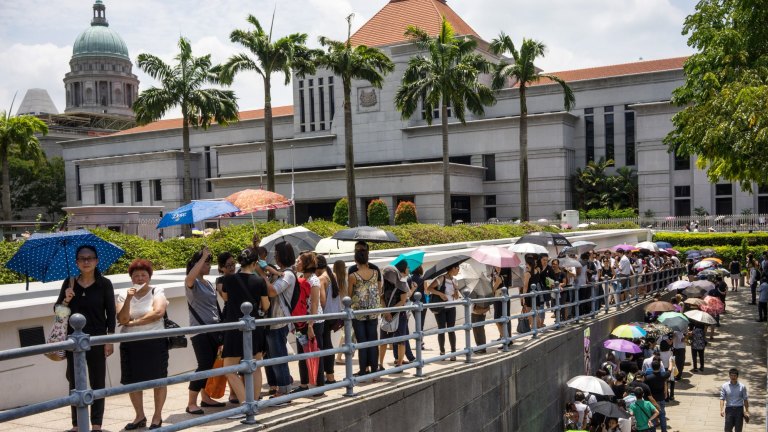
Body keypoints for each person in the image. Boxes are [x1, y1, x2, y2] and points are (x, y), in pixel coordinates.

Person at [55, 245, 116, 432]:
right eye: (82, 258)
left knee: (98, 381)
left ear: (97, 261)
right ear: (77, 262)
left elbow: (111, 313)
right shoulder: (69, 282)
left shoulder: (104, 284)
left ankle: (96, 424)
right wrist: (66, 299)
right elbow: (58, 312)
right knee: (74, 382)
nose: (86, 261)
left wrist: (109, 339)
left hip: (96, 338)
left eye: (90, 258)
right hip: (73, 340)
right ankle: (76, 424)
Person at [116, 259, 169, 430]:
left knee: (158, 380)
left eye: (143, 275)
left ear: (149, 276)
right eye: (136, 275)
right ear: (131, 278)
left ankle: (157, 416)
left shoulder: (157, 290)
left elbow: (158, 312)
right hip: (130, 343)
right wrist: (128, 299)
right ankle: (139, 416)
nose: (140, 278)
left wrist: (134, 322)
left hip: (154, 341)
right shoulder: (124, 295)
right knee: (133, 382)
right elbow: (122, 319)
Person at [220, 248, 270, 404]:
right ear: (255, 263)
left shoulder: (228, 279)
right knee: (255, 365)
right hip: (254, 327)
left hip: (235, 327)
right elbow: (266, 305)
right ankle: (253, 403)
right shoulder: (259, 281)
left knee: (229, 368)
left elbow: (226, 298)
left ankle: (244, 402)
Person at [184, 247, 224, 415]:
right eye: (207, 263)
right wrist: (202, 257)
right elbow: (189, 278)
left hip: (214, 329)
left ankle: (205, 398)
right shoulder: (191, 283)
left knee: (210, 365)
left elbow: (215, 307)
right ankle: (191, 403)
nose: (209, 266)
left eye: (209, 262)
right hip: (200, 331)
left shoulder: (208, 283)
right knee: (204, 365)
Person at [265, 241, 297, 399]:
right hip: (272, 321)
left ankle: (284, 391)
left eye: (277, 254)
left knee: (279, 357)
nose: (275, 257)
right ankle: (282, 387)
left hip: (279, 320)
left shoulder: (289, 275)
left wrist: (263, 276)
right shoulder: (280, 272)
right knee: (274, 357)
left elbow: (272, 292)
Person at [292, 251, 325, 393]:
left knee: (315, 353)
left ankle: (319, 385)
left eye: (299, 261)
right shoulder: (299, 278)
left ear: (306, 264)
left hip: (314, 323)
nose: (296, 263)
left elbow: (314, 304)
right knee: (302, 354)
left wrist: (310, 325)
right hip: (301, 322)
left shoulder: (314, 280)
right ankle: (304, 384)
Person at [348, 242, 381, 376]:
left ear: (355, 259)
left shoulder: (352, 275)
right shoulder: (375, 272)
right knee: (373, 340)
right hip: (373, 310)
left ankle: (363, 370)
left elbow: (349, 295)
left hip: (359, 312)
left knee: (362, 341)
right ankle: (374, 370)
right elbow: (379, 290)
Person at [214, 251, 239, 404]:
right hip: (229, 317)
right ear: (221, 268)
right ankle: (233, 393)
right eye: (228, 266)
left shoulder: (240, 277)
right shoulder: (220, 281)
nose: (232, 268)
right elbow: (226, 297)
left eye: (233, 264)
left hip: (241, 316)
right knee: (231, 358)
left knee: (243, 358)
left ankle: (243, 389)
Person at [426, 263, 461, 359]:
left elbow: (456, 297)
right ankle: (442, 351)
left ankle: (453, 353)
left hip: (451, 307)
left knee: (451, 329)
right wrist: (441, 294)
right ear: (453, 268)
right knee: (441, 329)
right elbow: (429, 288)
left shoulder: (455, 280)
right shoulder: (441, 278)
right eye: (458, 268)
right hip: (441, 307)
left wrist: (456, 291)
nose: (459, 270)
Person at [378, 264, 411, 368]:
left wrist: (389, 311)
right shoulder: (385, 285)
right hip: (387, 314)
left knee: (401, 340)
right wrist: (386, 311)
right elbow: (381, 299)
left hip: (399, 315)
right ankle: (380, 364)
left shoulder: (402, 284)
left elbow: (403, 301)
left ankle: (400, 363)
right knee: (383, 341)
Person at [317, 255, 341, 384]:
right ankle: (330, 375)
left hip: (325, 315)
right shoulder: (332, 275)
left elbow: (322, 300)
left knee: (325, 344)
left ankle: (329, 375)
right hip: (334, 314)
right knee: (328, 343)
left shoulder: (321, 278)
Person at [644, 360, 669, 432]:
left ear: (651, 367)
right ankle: (664, 430)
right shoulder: (663, 375)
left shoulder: (648, 378)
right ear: (660, 366)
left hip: (652, 400)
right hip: (661, 399)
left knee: (653, 416)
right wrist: (671, 362)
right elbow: (669, 371)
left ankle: (653, 430)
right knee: (662, 416)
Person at [521, 255, 545, 328]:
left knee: (529, 312)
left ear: (529, 264)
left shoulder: (527, 274)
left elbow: (525, 286)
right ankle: (538, 326)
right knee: (536, 312)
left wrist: (523, 297)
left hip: (529, 294)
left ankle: (533, 327)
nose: (525, 265)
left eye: (526, 264)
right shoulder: (537, 271)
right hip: (536, 293)